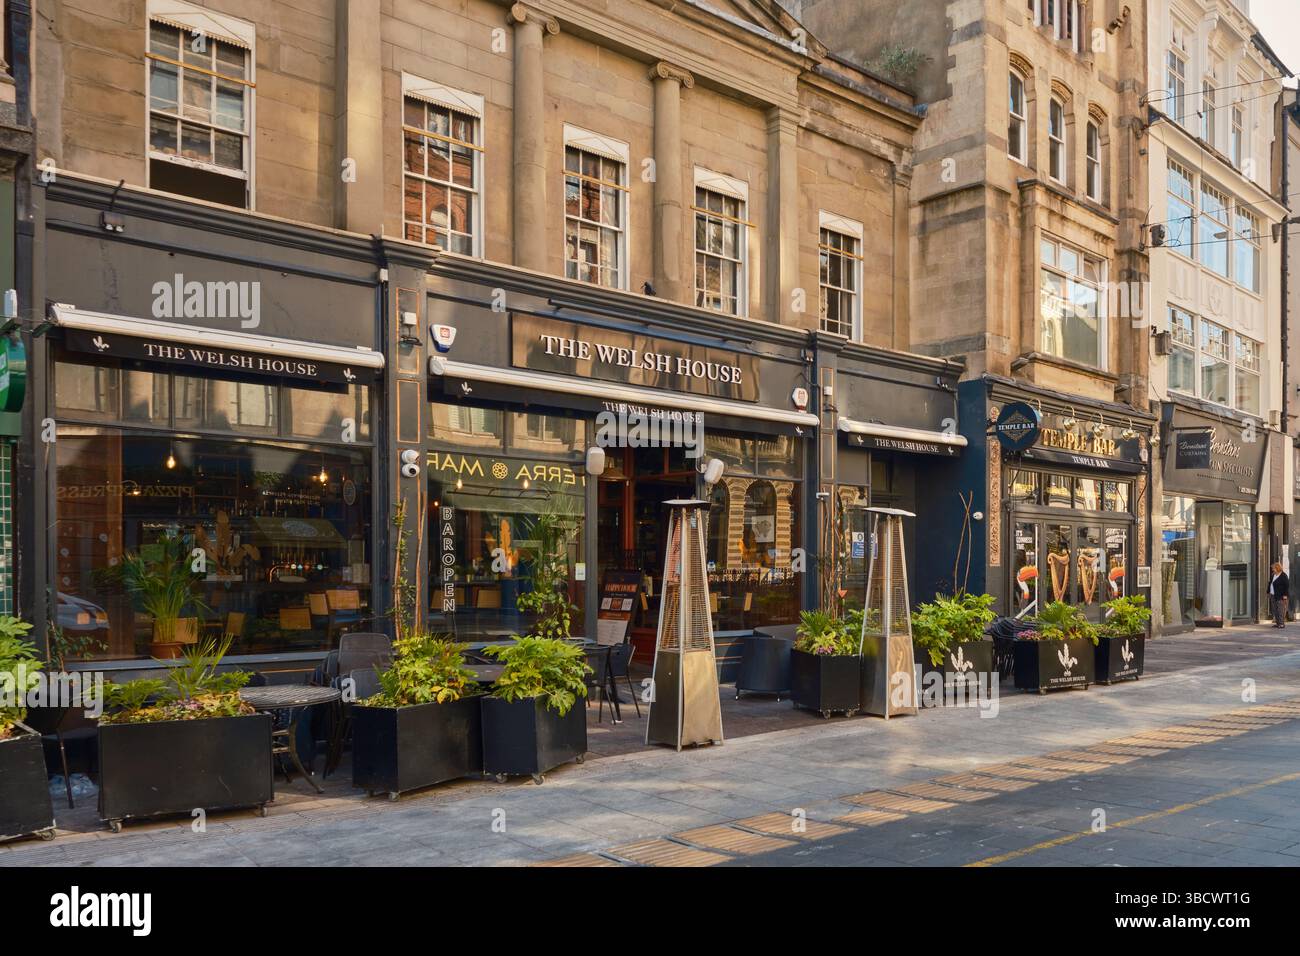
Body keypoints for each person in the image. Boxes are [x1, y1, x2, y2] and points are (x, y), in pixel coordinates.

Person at [1268, 562, 1289, 628]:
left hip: (1280, 595)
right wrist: (1268, 591)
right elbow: (1270, 583)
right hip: (1273, 594)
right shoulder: (1273, 575)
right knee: (1275, 610)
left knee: (1280, 610)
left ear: (1277, 568)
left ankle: (1282, 624)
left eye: (1273, 568)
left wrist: (1285, 595)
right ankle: (1278, 623)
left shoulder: (1283, 575)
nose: (1272, 569)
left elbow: (1286, 586)